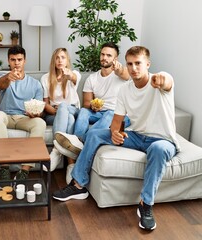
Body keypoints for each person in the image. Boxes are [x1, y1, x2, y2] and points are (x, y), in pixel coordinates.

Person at [52, 46, 180, 231]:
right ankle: (78, 185)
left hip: (162, 140)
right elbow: (116, 121)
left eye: (138, 63)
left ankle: (146, 204)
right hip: (136, 136)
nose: (134, 68)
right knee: (95, 134)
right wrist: (115, 133)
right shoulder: (125, 90)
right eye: (130, 64)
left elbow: (167, 81)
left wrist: (162, 80)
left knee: (158, 150)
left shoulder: (159, 81)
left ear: (148, 64)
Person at [53, 42, 130, 183]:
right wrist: (93, 106)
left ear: (115, 58)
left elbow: (126, 74)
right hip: (97, 112)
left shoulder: (121, 74)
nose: (104, 58)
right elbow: (87, 103)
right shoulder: (92, 78)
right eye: (102, 54)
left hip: (114, 112)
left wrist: (119, 70)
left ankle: (82, 144)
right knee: (83, 111)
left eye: (109, 55)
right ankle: (77, 140)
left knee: (109, 114)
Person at [0, 46, 46, 188]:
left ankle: (25, 170)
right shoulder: (3, 78)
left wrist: (36, 113)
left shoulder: (35, 84)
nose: (16, 63)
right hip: (6, 116)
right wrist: (8, 77)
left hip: (25, 118)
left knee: (40, 123)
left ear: (24, 61)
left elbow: (40, 109)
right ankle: (4, 169)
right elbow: (0, 85)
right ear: (8, 61)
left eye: (19, 60)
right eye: (13, 60)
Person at [40, 48, 81, 176]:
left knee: (64, 107)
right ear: (53, 60)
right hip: (54, 114)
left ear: (67, 60)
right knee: (70, 119)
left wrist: (69, 76)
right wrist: (52, 110)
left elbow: (73, 77)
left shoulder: (74, 74)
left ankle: (56, 150)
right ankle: (70, 165)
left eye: (63, 57)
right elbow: (45, 104)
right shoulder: (45, 78)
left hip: (73, 109)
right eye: (57, 57)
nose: (60, 60)